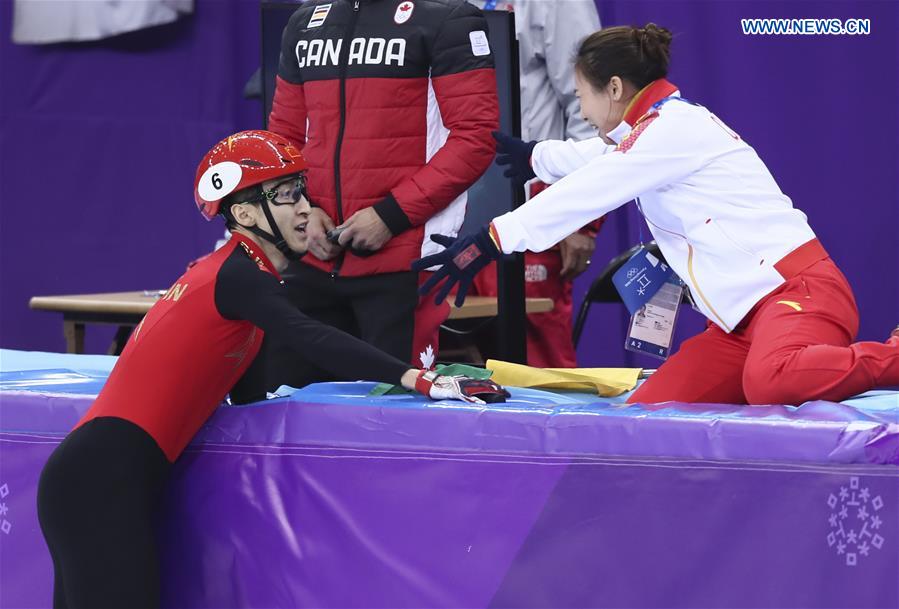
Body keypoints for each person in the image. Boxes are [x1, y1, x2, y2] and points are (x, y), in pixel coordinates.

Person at [36, 130, 507, 608]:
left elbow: (248, 400)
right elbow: (312, 336)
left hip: (97, 475)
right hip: (101, 478)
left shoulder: (244, 281)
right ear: (242, 215)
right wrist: (418, 378)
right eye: (285, 195)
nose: (305, 207)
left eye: (302, 190)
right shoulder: (238, 275)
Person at [414, 24, 899, 405]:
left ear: (616, 87)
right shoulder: (657, 129)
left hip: (800, 295)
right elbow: (601, 159)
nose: (580, 108)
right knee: (648, 415)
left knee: (771, 382)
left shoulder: (672, 130)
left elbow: (597, 184)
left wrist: (493, 238)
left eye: (582, 95)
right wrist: (537, 156)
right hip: (738, 326)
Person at [266, 0, 500, 377]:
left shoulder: (448, 19)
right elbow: (283, 139)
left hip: (402, 260)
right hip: (313, 257)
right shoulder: (305, 23)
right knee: (289, 406)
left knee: (390, 418)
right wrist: (301, 209)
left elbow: (476, 138)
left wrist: (389, 216)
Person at [466, 0, 603, 368]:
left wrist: (577, 218)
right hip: (453, 206)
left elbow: (589, 107)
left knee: (534, 361)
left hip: (529, 206)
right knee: (458, 358)